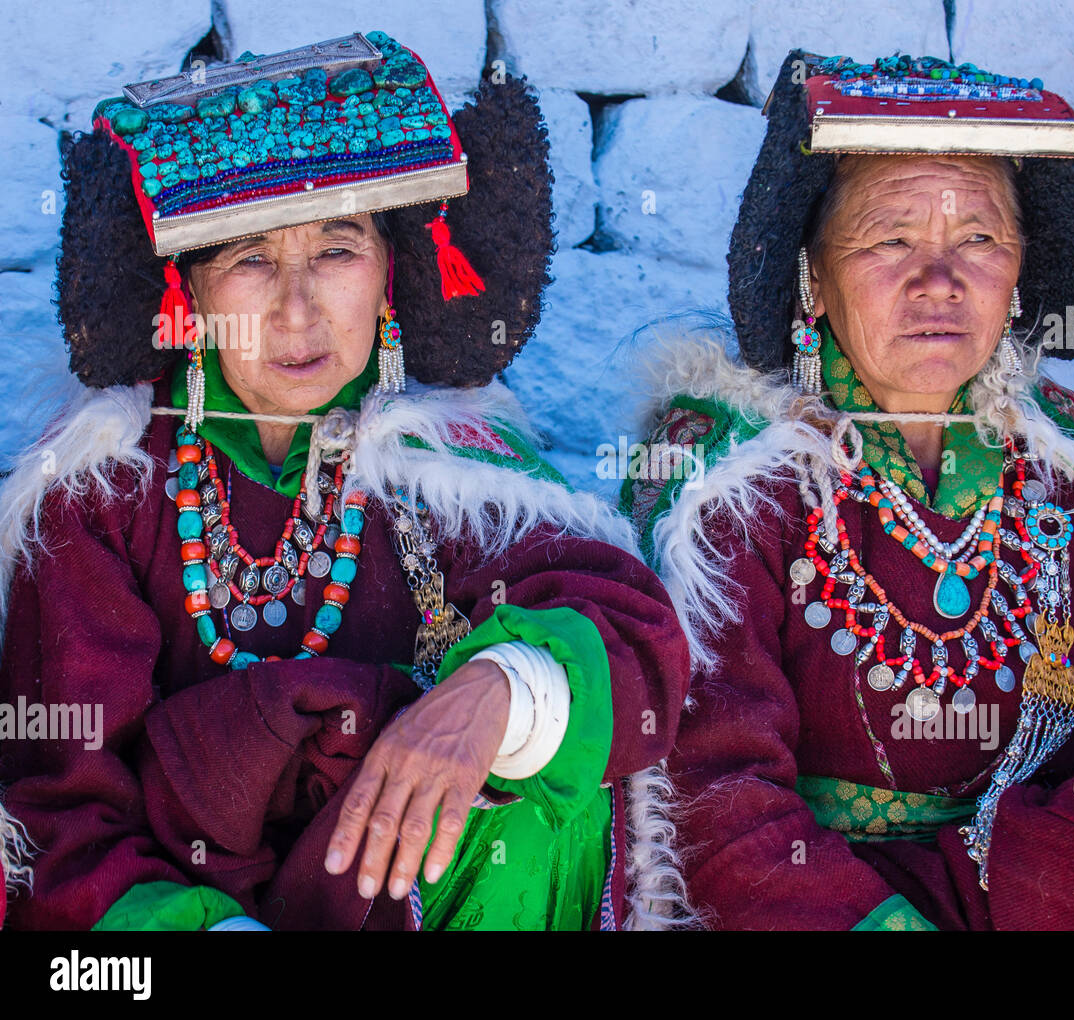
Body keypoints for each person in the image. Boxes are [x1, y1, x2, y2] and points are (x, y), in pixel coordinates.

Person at [0, 30, 690, 931]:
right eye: (249, 259)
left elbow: (630, 633)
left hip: (405, 895)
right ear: (189, 293)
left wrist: (499, 693)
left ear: (392, 273)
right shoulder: (102, 496)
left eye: (336, 249)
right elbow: (65, 806)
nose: (297, 310)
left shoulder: (454, 472)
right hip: (179, 912)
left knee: (535, 820)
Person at [623, 51, 1074, 930]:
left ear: (1019, 272)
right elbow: (710, 793)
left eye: (978, 239)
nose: (939, 282)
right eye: (891, 238)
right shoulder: (729, 470)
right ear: (814, 281)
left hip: (1062, 895)